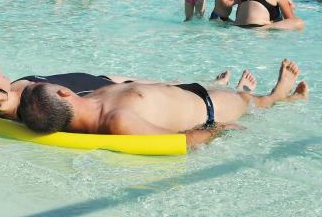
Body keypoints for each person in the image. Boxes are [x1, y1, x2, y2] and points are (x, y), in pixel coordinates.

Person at [17, 60, 308, 148]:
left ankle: (272, 96)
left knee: (239, 93)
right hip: (210, 108)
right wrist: (219, 128)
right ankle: (278, 96)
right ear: (64, 95)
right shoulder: (116, 121)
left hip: (185, 92)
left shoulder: (88, 100)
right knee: (250, 100)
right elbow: (181, 142)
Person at [0, 64, 246, 122]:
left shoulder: (0, 97)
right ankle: (229, 91)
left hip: (101, 79)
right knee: (172, 91)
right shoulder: (30, 110)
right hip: (107, 91)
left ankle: (212, 84)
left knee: (172, 82)